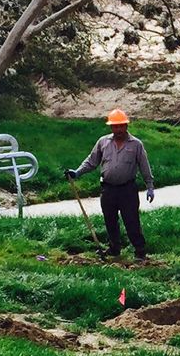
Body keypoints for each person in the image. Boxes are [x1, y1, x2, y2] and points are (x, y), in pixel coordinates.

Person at [65, 109, 155, 260]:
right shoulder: (103, 142)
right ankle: (114, 249)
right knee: (110, 220)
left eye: (121, 126)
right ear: (111, 127)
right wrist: (77, 172)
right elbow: (91, 161)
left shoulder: (136, 144)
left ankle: (140, 251)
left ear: (126, 126)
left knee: (131, 220)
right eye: (115, 126)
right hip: (108, 189)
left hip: (127, 189)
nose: (118, 129)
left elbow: (144, 166)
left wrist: (150, 186)